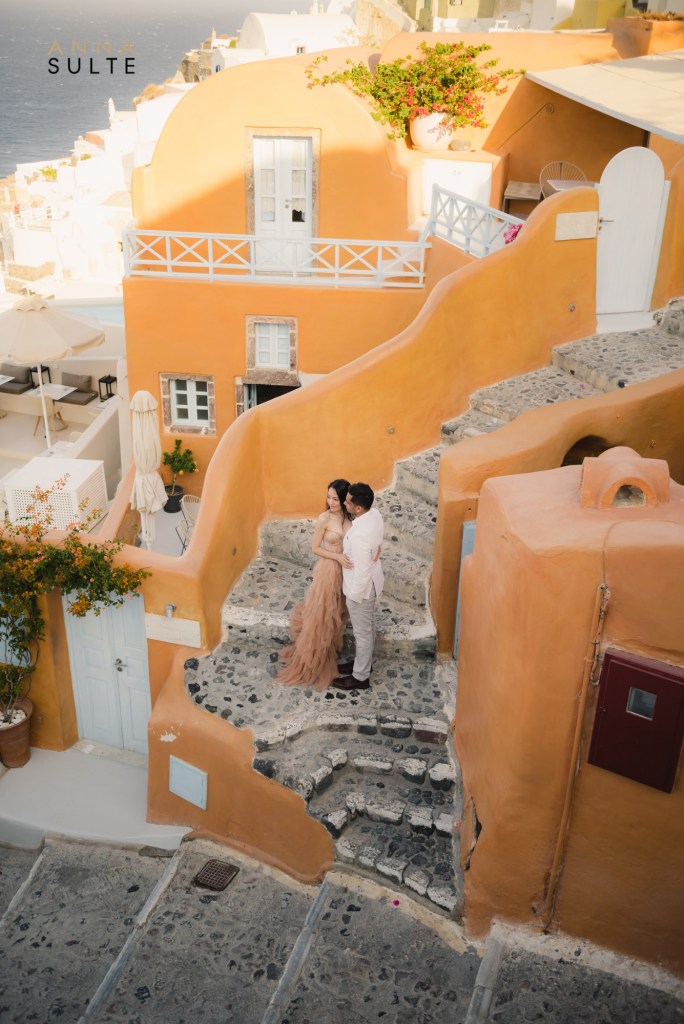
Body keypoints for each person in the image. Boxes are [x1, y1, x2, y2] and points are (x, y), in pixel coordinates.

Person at [277, 479, 352, 690]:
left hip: (346, 572)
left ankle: (329, 647)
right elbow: (315, 548)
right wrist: (337, 558)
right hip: (329, 570)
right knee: (322, 615)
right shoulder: (324, 518)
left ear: (345, 498)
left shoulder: (349, 517)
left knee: (337, 612)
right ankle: (313, 659)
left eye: (335, 498)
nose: (331, 502)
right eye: (328, 497)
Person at [333, 482, 384, 691]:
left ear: (358, 508)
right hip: (372, 581)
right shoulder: (375, 514)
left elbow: (362, 571)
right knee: (367, 629)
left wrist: (353, 596)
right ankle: (363, 665)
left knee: (362, 634)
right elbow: (377, 545)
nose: (345, 503)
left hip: (360, 590)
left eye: (348, 502)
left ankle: (360, 677)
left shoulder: (361, 536)